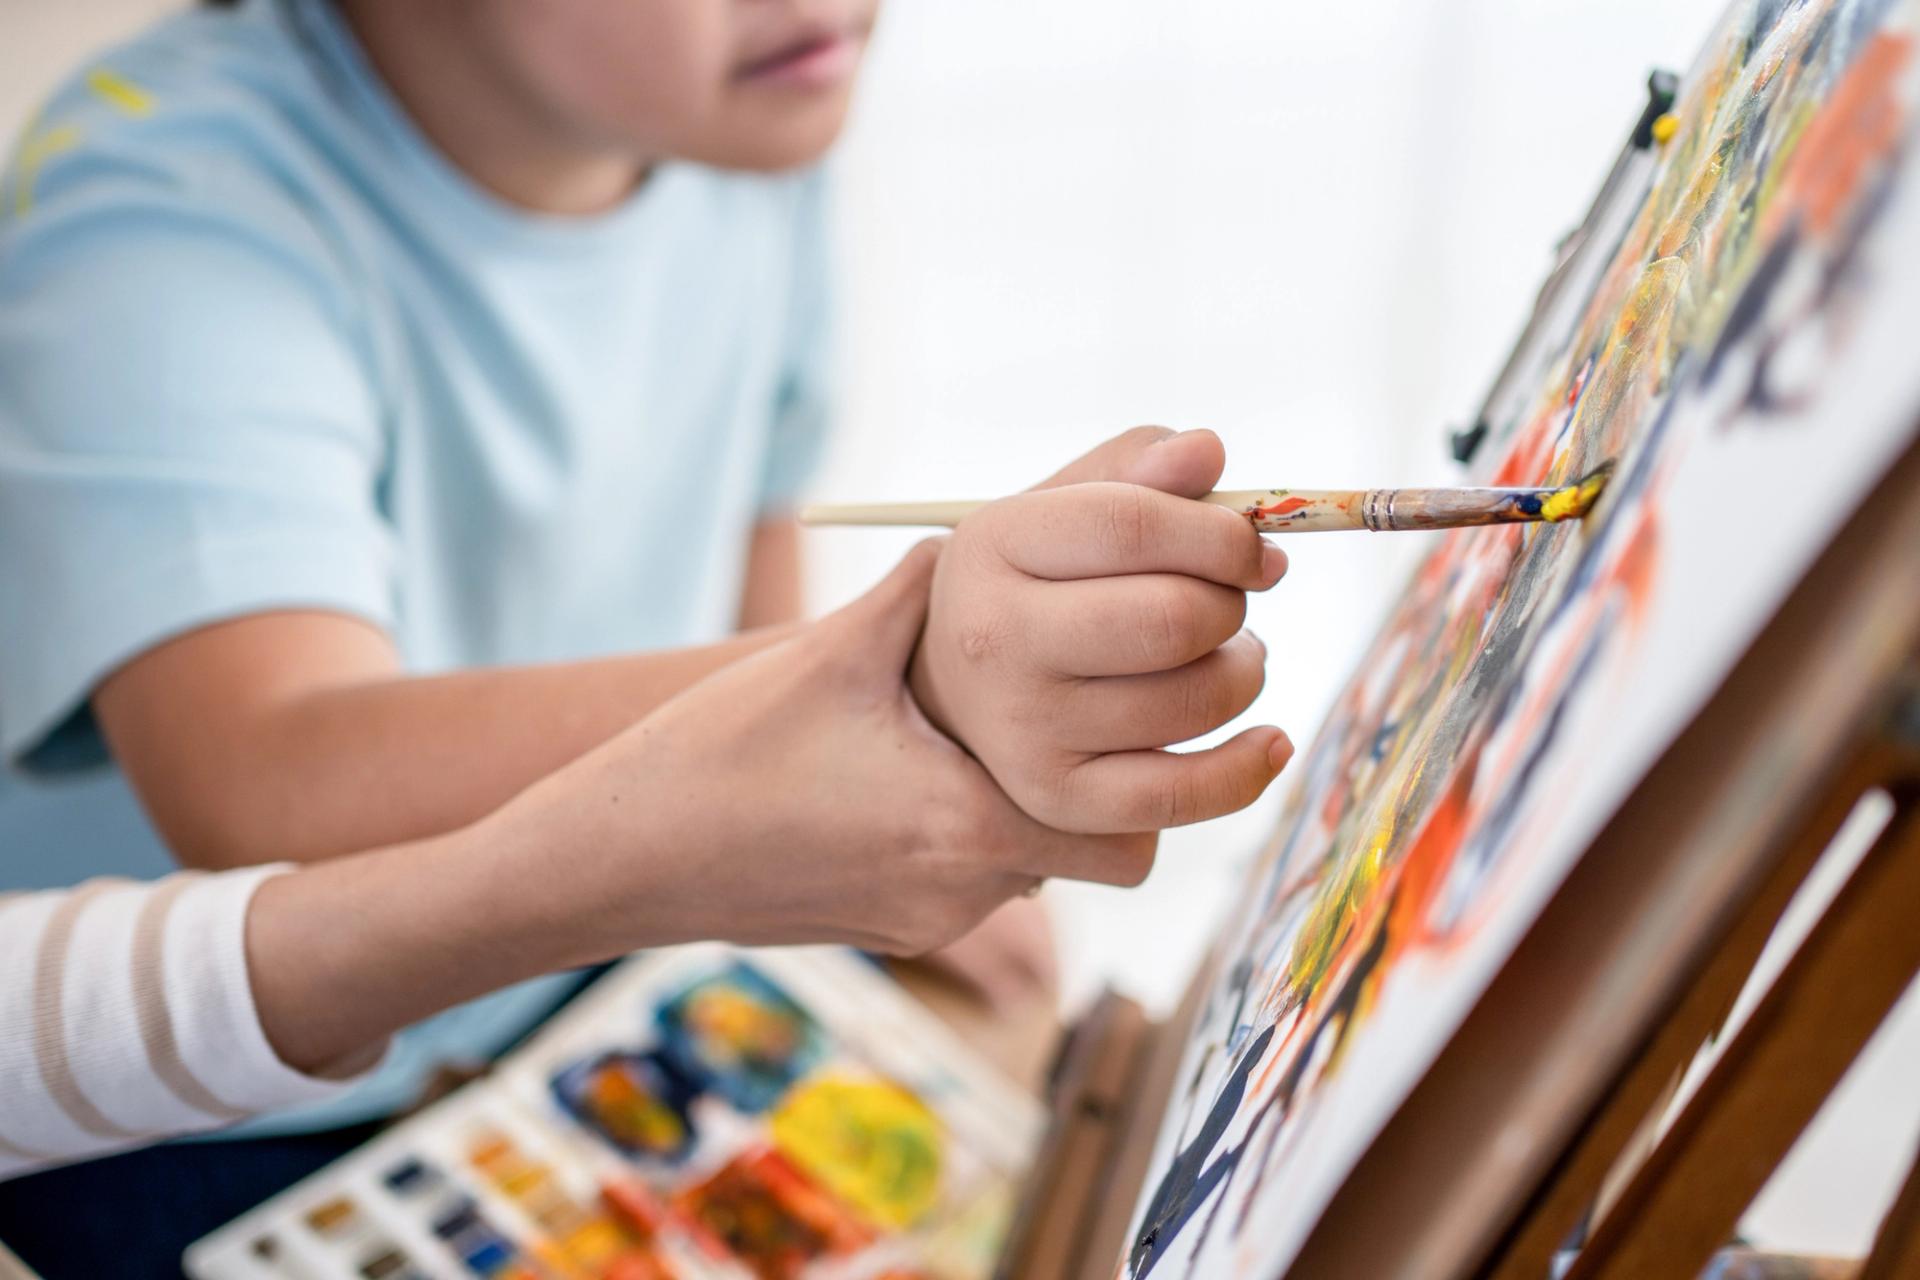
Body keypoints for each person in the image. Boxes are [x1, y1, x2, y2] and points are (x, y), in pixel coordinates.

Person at [0, 0, 1291, 1268]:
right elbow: (274, 780)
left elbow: (752, 525)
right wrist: (905, 683)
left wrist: (864, 749)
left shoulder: (739, 112)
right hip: (211, 1108)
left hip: (602, 959)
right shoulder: (162, 214)